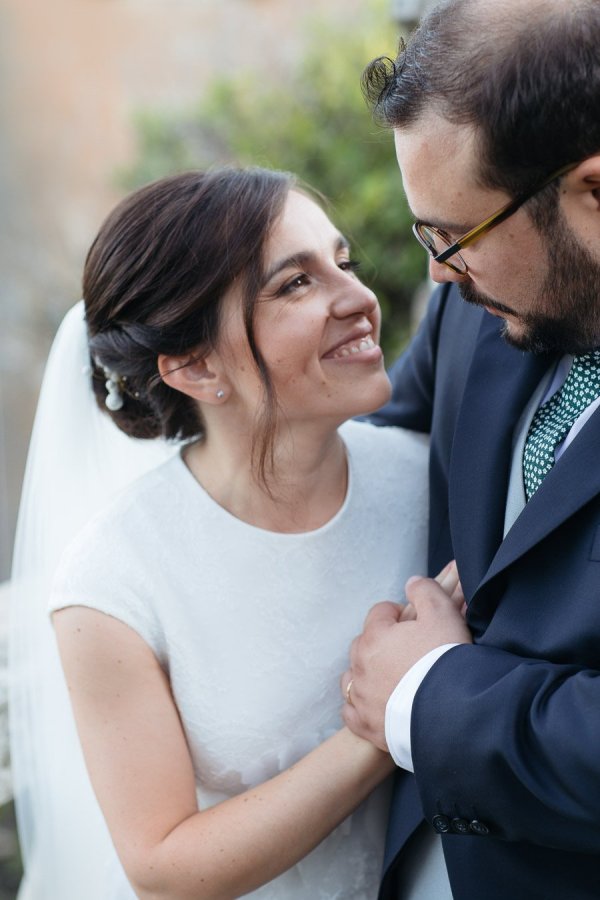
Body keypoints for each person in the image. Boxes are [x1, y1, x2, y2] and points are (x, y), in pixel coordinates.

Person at [9, 166, 449, 899]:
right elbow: (164, 865)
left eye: (345, 264)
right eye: (295, 284)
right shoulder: (112, 583)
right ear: (193, 364)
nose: (361, 300)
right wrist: (388, 720)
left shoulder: (428, 479)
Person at [340, 0, 600, 898]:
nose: (438, 275)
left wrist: (427, 697)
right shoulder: (475, 301)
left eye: (457, 239)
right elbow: (371, 445)